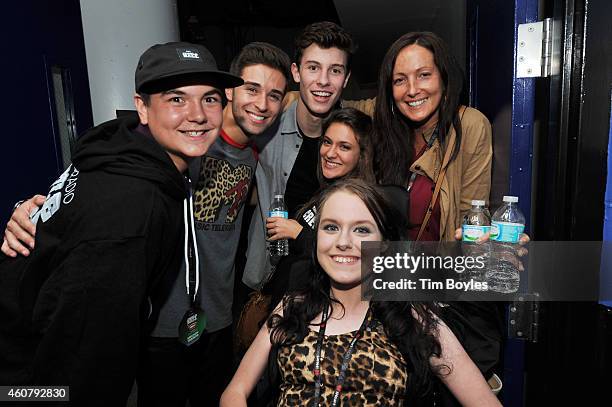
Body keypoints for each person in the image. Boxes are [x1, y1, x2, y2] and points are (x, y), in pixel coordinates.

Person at [1, 42, 291, 406]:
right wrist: (26, 214)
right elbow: (82, 359)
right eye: (176, 99)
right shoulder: (135, 202)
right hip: (38, 372)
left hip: (206, 319)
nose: (197, 115)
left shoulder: (125, 149)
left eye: (209, 99)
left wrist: (40, 218)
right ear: (141, 106)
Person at [220, 179, 502, 406]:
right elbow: (234, 392)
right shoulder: (294, 305)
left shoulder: (414, 316)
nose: (343, 242)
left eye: (362, 230)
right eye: (331, 227)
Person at [243, 21, 356, 291]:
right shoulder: (265, 126)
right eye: (313, 67)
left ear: (346, 79)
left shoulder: (359, 139)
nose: (324, 81)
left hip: (335, 284)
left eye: (335, 70)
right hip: (269, 280)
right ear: (296, 72)